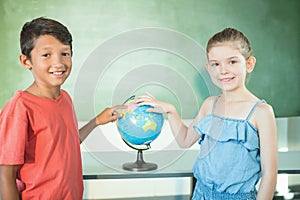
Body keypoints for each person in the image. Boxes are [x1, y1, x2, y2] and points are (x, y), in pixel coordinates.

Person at [137, 28, 278, 199]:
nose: (223, 70)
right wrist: (170, 110)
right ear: (209, 68)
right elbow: (184, 140)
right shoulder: (209, 105)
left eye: (232, 62)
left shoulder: (261, 112)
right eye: (215, 64)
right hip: (201, 194)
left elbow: (269, 174)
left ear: (249, 64)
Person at [0, 17, 125, 199]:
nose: (58, 63)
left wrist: (96, 121)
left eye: (65, 54)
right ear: (26, 61)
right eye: (46, 55)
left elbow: (69, 143)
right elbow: (5, 175)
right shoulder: (20, 107)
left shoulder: (65, 98)